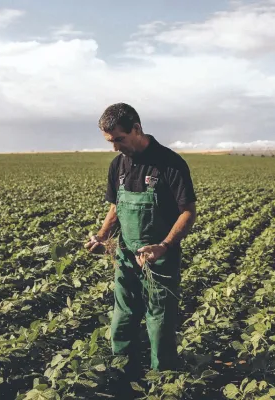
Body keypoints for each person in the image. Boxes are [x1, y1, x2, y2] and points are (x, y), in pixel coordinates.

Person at [84, 102, 197, 386]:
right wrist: (102, 237)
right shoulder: (117, 165)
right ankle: (123, 377)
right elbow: (116, 207)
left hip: (159, 259)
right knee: (122, 317)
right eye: (110, 142)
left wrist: (165, 246)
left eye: (119, 140)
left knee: (159, 321)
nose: (114, 147)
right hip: (125, 255)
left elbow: (188, 211)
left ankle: (163, 381)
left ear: (136, 129)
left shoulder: (170, 163)